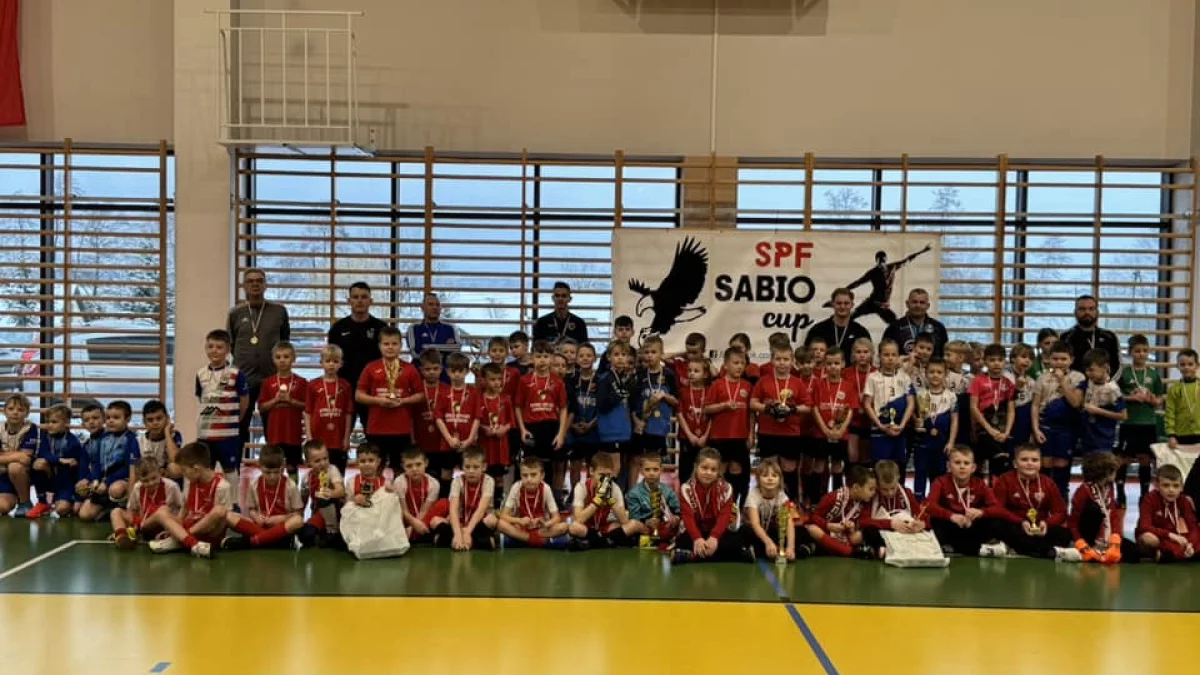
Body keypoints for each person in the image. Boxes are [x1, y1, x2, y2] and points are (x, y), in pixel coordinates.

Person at [227, 268, 291, 446]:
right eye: (250, 281)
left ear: (265, 285)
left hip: (270, 378)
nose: (255, 284)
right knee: (239, 427)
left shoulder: (279, 312)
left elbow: (284, 341)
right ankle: (235, 464)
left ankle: (275, 464)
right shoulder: (235, 313)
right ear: (244, 286)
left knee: (273, 429)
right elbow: (231, 343)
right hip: (243, 377)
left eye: (259, 280)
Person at [356, 326, 425, 471]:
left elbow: (421, 395)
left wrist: (403, 401)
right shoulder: (370, 368)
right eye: (386, 344)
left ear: (401, 345)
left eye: (394, 343)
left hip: (401, 429)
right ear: (379, 346)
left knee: (401, 470)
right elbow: (359, 395)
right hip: (377, 428)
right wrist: (378, 401)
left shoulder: (409, 369)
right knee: (375, 470)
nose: (390, 347)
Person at [149, 442, 234, 559]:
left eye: (184, 470)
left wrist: (179, 533)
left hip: (208, 531)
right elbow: (184, 509)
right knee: (161, 512)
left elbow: (223, 521)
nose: (183, 474)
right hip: (190, 526)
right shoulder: (191, 482)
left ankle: (180, 540)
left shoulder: (222, 486)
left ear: (196, 469)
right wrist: (174, 527)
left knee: (219, 511)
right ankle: (189, 542)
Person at [671, 448, 753, 564]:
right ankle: (736, 555)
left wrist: (714, 537)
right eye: (704, 468)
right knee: (683, 539)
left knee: (745, 532)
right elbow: (688, 518)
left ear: (719, 471)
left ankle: (691, 556)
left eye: (713, 469)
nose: (708, 473)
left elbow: (724, 517)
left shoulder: (727, 488)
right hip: (696, 532)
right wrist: (697, 538)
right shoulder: (686, 488)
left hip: (719, 533)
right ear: (696, 467)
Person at [752, 341, 809, 503]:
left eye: (785, 359)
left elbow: (808, 406)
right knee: (768, 470)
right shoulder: (763, 381)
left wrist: (792, 410)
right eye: (778, 359)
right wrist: (768, 409)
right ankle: (765, 504)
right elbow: (753, 403)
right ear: (772, 360)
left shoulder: (797, 382)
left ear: (792, 361)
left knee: (789, 469)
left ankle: (790, 505)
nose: (782, 363)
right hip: (768, 432)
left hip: (790, 433)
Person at [328, 282, 388, 433]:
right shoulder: (338, 328)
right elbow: (331, 360)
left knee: (374, 435)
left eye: (364, 297)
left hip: (372, 390)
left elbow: (388, 359)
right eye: (355, 297)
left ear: (370, 301)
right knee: (341, 434)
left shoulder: (381, 328)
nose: (359, 301)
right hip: (345, 388)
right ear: (349, 301)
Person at [991, 445, 1071, 559]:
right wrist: (1021, 522)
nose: (1030, 463)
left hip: (1039, 528)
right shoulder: (1004, 480)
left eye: (1035, 460)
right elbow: (998, 509)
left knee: (1065, 534)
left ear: (1040, 463)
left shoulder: (1048, 483)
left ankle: (1025, 548)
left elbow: (1060, 512)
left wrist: (1046, 523)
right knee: (999, 526)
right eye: (1024, 460)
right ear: (1015, 463)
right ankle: (1047, 551)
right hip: (1016, 526)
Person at [223, 444, 304, 550]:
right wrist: (256, 516)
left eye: (276, 472)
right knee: (228, 516)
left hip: (281, 527)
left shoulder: (290, 485)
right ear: (259, 466)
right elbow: (252, 509)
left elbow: (298, 513)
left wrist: (281, 518)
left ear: (283, 466)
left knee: (298, 521)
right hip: (260, 525)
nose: (272, 476)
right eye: (268, 472)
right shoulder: (254, 484)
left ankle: (250, 542)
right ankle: (275, 541)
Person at [926, 447, 1004, 557]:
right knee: (935, 520)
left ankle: (958, 547)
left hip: (971, 525)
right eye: (957, 463)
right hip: (951, 525)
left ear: (973, 468)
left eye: (966, 463)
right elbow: (929, 505)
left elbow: (997, 508)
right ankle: (977, 549)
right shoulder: (940, 482)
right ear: (948, 466)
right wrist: (951, 516)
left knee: (996, 520)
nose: (962, 467)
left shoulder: (980, 484)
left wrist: (981, 512)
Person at [1115, 334, 1165, 507]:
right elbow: (1116, 395)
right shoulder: (1124, 373)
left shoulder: (1153, 374)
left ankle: (1144, 495)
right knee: (1123, 458)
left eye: (1144, 350)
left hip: (1148, 423)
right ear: (1130, 352)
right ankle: (1120, 494)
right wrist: (1131, 397)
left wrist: (1153, 400)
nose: (1141, 354)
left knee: (1145, 459)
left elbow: (1159, 399)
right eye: (1137, 351)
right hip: (1129, 422)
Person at [1031, 341, 1084, 499]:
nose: (1059, 362)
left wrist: (1062, 381)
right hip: (1046, 425)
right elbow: (1035, 405)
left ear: (1071, 360)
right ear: (1049, 359)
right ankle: (1044, 495)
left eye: (1063, 359)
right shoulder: (1042, 378)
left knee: (1062, 463)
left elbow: (1075, 402)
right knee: (1046, 463)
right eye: (1055, 359)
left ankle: (1061, 495)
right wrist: (1036, 429)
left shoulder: (1078, 377)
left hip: (1067, 427)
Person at [703, 347, 755, 506]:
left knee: (737, 470)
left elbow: (751, 412)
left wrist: (751, 433)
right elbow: (707, 408)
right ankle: (717, 503)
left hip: (740, 435)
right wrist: (724, 405)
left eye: (742, 363)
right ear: (726, 365)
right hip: (719, 436)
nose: (739, 366)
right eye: (735, 363)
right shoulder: (717, 385)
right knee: (720, 470)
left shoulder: (747, 386)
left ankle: (733, 505)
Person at [195, 329, 249, 477]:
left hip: (228, 435)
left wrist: (235, 419)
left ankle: (233, 494)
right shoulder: (200, 374)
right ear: (205, 348)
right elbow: (202, 399)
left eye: (219, 347)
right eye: (210, 346)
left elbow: (244, 401)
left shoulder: (236, 374)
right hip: (205, 434)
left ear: (228, 349)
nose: (214, 350)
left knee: (230, 471)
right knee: (205, 472)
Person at [1068, 451, 1137, 564]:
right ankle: (1089, 549)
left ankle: (1102, 552)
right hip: (1087, 535)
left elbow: (1113, 514)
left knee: (1134, 552)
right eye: (1114, 471)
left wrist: (1115, 540)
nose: (1116, 473)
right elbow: (1073, 523)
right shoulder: (1083, 491)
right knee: (1093, 509)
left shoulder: (1109, 487)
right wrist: (1080, 543)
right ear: (1106, 473)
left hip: (1106, 534)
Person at [78, 401, 141, 522]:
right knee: (85, 515)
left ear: (127, 419)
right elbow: (97, 463)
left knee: (116, 489)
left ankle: (120, 507)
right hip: (103, 481)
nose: (111, 421)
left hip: (121, 480)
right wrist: (95, 480)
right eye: (108, 418)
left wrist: (107, 482)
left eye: (116, 418)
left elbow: (128, 468)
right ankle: (107, 508)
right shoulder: (103, 438)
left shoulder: (131, 439)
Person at [811, 349, 857, 507]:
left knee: (837, 465)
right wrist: (824, 429)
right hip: (820, 433)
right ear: (824, 365)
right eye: (829, 363)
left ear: (843, 364)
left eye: (836, 363)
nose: (833, 367)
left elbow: (850, 410)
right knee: (819, 464)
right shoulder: (818, 384)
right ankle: (816, 501)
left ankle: (837, 501)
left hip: (840, 434)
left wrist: (841, 429)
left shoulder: (848, 386)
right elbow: (815, 408)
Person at [515, 340, 569, 472]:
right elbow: (518, 406)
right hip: (531, 427)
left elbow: (563, 408)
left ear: (551, 359)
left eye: (546, 356)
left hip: (551, 426)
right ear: (532, 358)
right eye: (538, 356)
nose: (542, 360)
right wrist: (523, 430)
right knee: (530, 465)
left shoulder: (558, 382)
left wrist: (561, 433)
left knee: (549, 467)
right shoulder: (524, 380)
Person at [743, 458, 810, 562]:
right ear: (758, 479)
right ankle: (772, 549)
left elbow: (788, 522)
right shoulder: (753, 495)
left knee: (802, 531)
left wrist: (790, 547)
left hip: (773, 532)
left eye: (774, 476)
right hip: (757, 534)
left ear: (780, 479)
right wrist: (768, 542)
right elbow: (755, 524)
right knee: (744, 533)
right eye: (765, 475)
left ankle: (773, 550)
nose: (770, 479)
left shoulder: (782, 496)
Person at [259, 341, 308, 481]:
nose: (282, 360)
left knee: (292, 467)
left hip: (293, 433)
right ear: (273, 359)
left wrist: (291, 401)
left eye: (286, 357)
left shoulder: (301, 382)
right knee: (274, 466)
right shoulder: (267, 382)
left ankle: (293, 492)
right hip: (274, 433)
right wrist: (274, 401)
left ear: (293, 358)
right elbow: (262, 407)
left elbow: (307, 406)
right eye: (278, 357)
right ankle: (276, 491)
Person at [862, 339, 914, 471]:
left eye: (893, 355)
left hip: (900, 429)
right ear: (879, 356)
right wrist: (880, 425)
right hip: (880, 429)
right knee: (880, 467)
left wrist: (902, 425)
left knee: (899, 467)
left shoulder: (905, 377)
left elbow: (911, 403)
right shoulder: (873, 377)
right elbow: (867, 404)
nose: (890, 358)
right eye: (886, 355)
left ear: (898, 357)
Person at [631, 335, 678, 481]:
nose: (650, 355)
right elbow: (632, 403)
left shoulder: (668, 374)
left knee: (654, 461)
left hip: (658, 425)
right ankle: (632, 491)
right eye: (647, 352)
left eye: (654, 352)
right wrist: (636, 421)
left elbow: (676, 401)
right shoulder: (639, 375)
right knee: (636, 459)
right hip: (641, 425)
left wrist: (664, 396)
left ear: (661, 353)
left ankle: (653, 490)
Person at [567, 453, 638, 550]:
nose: (605, 479)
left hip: (605, 527)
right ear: (591, 471)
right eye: (601, 475)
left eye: (608, 475)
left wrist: (610, 500)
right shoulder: (581, 487)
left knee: (632, 525)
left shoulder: (614, 488)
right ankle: (607, 542)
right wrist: (597, 501)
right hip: (587, 527)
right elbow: (578, 519)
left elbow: (624, 521)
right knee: (574, 527)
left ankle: (593, 542)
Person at [431, 448, 497, 551]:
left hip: (478, 523)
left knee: (492, 520)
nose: (471, 471)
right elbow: (453, 509)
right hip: (460, 522)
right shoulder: (457, 481)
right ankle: (472, 541)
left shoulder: (489, 481)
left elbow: (481, 510)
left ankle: (457, 540)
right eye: (467, 467)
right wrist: (458, 534)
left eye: (475, 467)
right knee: (434, 521)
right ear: (462, 467)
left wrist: (467, 532)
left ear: (484, 467)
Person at [805, 464, 877, 558]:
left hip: (841, 536)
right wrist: (828, 525)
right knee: (813, 529)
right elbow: (813, 517)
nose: (874, 493)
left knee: (859, 536)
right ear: (856, 487)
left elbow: (861, 524)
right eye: (871, 489)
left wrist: (851, 526)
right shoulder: (833, 497)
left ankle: (821, 548)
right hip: (825, 530)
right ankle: (849, 552)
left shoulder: (864, 503)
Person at [910, 357, 957, 500]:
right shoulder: (921, 394)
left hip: (942, 443)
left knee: (939, 474)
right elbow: (915, 415)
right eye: (931, 372)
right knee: (920, 472)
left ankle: (935, 503)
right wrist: (916, 421)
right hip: (923, 441)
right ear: (925, 373)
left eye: (939, 372)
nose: (935, 375)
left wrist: (951, 442)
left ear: (945, 374)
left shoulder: (951, 396)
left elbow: (955, 421)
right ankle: (918, 504)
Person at [111, 457, 183, 550]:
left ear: (161, 472)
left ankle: (167, 535)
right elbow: (131, 510)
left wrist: (173, 527)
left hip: (163, 524)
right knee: (116, 512)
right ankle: (122, 536)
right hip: (143, 523)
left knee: (162, 511)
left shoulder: (171, 486)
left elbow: (182, 509)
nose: (150, 483)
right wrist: (132, 526)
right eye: (145, 481)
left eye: (153, 478)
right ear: (139, 479)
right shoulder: (137, 487)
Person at [858, 459, 924, 559]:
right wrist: (891, 524)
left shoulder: (907, 493)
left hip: (906, 534)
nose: (890, 493)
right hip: (882, 535)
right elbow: (863, 521)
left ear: (898, 479)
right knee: (867, 532)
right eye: (884, 489)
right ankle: (881, 549)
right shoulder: (871, 496)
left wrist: (921, 524)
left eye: (893, 488)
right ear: (877, 483)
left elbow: (921, 514)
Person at [497, 457, 569, 549]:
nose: (529, 479)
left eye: (533, 475)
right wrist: (519, 520)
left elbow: (557, 517)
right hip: (521, 528)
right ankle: (535, 540)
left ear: (542, 476)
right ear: (520, 475)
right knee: (499, 524)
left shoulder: (546, 488)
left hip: (541, 529)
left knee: (564, 527)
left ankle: (525, 540)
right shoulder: (516, 487)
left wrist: (546, 524)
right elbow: (504, 515)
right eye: (525, 475)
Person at [305, 344, 355, 476]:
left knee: (338, 473)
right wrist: (309, 436)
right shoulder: (313, 385)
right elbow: (308, 412)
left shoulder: (346, 385)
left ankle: (338, 490)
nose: (331, 364)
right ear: (321, 363)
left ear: (341, 364)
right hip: (318, 437)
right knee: (319, 473)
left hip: (338, 438)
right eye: (328, 361)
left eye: (335, 361)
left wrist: (347, 437)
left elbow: (348, 413)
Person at [968, 343, 1015, 480]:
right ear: (985, 361)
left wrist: (1007, 432)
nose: (996, 363)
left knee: (1000, 466)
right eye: (992, 360)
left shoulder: (1008, 383)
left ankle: (995, 490)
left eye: (1000, 360)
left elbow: (1011, 410)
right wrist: (989, 430)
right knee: (985, 460)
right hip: (983, 429)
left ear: (1005, 361)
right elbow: (973, 407)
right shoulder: (978, 381)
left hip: (1002, 430)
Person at [1136, 465, 1199, 563]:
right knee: (1149, 538)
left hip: (1174, 539)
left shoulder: (1183, 500)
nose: (1171, 490)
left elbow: (1193, 526)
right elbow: (1144, 527)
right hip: (1159, 537)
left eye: (1176, 486)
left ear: (1181, 487)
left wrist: (1190, 544)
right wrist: (1170, 535)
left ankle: (1168, 554)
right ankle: (1179, 554)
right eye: (1166, 485)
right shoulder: (1149, 499)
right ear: (1157, 486)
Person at [0, 394, 49, 517]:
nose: (15, 412)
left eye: (20, 410)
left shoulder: (31, 429)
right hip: (3, 476)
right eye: (11, 409)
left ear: (27, 413)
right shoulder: (0, 428)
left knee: (15, 467)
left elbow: (25, 459)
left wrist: (4, 455)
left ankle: (25, 502)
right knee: (3, 507)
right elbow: (20, 456)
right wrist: (17, 455)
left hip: (24, 473)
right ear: (4, 411)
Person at [478, 363, 516, 507]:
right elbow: (474, 420)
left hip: (501, 447)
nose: (496, 383)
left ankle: (498, 507)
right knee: (484, 477)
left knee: (499, 478)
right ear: (484, 380)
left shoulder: (505, 399)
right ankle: (484, 507)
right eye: (492, 379)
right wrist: (483, 428)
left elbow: (511, 422)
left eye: (499, 379)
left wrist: (503, 429)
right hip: (485, 446)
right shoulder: (479, 398)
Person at [296, 440, 346, 549]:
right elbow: (302, 501)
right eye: (317, 461)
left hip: (336, 512)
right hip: (318, 514)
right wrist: (299, 518)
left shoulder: (332, 470)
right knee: (305, 535)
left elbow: (341, 491)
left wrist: (331, 493)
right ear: (308, 463)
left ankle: (333, 532)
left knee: (325, 500)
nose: (323, 463)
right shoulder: (306, 478)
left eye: (325, 458)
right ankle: (324, 534)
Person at [435, 353, 481, 468]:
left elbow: (477, 418)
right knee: (446, 473)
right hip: (447, 442)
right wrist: (449, 439)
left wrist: (469, 440)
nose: (456, 374)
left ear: (467, 371)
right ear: (447, 372)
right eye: (453, 371)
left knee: (469, 472)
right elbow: (438, 418)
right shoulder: (442, 392)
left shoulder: (474, 393)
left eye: (460, 371)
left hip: (468, 443)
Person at [406, 292, 464, 381]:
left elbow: (457, 350)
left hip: (445, 376)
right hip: (421, 376)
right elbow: (415, 353)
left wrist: (427, 347)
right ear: (422, 308)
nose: (434, 307)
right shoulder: (414, 328)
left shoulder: (450, 328)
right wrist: (445, 348)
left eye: (437, 305)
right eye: (430, 304)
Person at [1079, 348, 1126, 455]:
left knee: (1102, 464)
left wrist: (1098, 411)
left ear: (1105, 367)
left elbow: (1123, 415)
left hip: (1103, 440)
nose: (1088, 373)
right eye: (1086, 370)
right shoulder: (1088, 382)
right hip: (1087, 438)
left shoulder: (1112, 389)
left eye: (1091, 370)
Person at [626, 453, 681, 545]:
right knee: (633, 524)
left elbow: (678, 511)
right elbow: (634, 516)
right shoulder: (633, 493)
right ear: (641, 471)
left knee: (682, 524)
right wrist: (647, 522)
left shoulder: (668, 491)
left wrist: (675, 518)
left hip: (665, 526)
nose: (651, 473)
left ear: (661, 470)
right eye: (647, 469)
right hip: (644, 528)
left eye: (655, 469)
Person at [807, 288, 872, 365]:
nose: (842, 306)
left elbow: (869, 360)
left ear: (852, 305)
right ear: (832, 304)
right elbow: (807, 358)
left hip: (852, 372)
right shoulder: (817, 330)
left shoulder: (861, 332)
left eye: (846, 303)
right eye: (839, 303)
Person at [1060, 295, 1120, 375]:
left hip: (1106, 382)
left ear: (1097, 312)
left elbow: (1118, 365)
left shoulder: (1110, 337)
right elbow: (1060, 364)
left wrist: (1107, 381)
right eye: (1082, 309)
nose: (1087, 312)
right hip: (1073, 382)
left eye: (1091, 309)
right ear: (1075, 312)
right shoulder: (1065, 337)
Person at [395, 450, 446, 544]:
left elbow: (424, 510)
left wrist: (413, 527)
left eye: (418, 464)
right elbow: (403, 510)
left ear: (426, 463)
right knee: (396, 510)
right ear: (403, 467)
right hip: (406, 519)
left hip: (424, 519)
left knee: (444, 503)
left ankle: (411, 535)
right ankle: (424, 536)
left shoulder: (434, 483)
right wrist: (413, 523)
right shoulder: (399, 482)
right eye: (409, 466)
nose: (414, 469)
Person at [43, 405, 84, 518]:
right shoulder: (45, 437)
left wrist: (78, 496)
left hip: (66, 484)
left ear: (66, 422)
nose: (50, 425)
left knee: (62, 509)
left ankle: (69, 501)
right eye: (48, 422)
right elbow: (43, 454)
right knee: (39, 463)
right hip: (51, 480)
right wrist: (60, 460)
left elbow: (79, 469)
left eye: (54, 422)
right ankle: (42, 500)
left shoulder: (73, 442)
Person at [882, 288, 949, 356]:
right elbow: (885, 355)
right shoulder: (894, 328)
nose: (918, 305)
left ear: (927, 306)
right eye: (914, 302)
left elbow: (944, 356)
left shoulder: (938, 328)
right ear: (907, 304)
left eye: (922, 302)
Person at [676, 356, 711, 484]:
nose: (691, 373)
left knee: (705, 469)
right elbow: (679, 414)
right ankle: (684, 494)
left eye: (696, 371)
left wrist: (705, 436)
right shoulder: (683, 392)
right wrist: (690, 435)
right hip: (687, 437)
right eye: (689, 370)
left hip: (705, 438)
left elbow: (713, 416)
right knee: (685, 470)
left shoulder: (710, 391)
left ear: (705, 374)